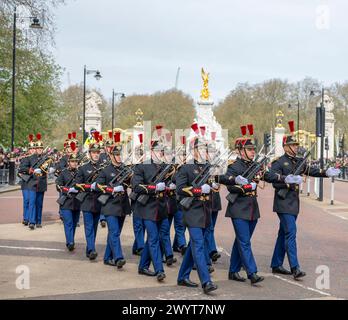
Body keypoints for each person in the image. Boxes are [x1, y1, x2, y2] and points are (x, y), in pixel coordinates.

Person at [270, 120, 341, 279]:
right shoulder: (279, 162)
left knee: (284, 233)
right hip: (283, 203)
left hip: (294, 203)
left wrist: (326, 172)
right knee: (291, 233)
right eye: (293, 145)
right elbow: (272, 179)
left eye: (296, 145)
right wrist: (286, 180)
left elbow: (312, 170)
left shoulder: (299, 161)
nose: (296, 147)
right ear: (286, 146)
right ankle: (295, 267)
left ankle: (276, 264)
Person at [221, 124, 287, 285]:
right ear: (240, 151)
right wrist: (242, 185)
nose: (253, 152)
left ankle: (233, 270)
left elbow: (269, 175)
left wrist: (284, 179)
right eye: (249, 149)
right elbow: (228, 183)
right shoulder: (233, 166)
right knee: (245, 241)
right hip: (238, 208)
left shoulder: (255, 165)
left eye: (253, 149)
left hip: (252, 209)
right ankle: (252, 272)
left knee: (241, 240)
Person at [176, 128, 218, 294]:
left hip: (204, 211)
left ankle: (182, 277)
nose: (202, 152)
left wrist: (213, 186)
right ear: (193, 151)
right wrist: (200, 190)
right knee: (199, 245)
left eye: (204, 149)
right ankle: (206, 281)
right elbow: (180, 189)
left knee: (194, 244)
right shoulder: (185, 168)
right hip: (192, 211)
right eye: (199, 149)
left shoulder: (207, 167)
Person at [132, 139, 168, 282]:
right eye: (159, 151)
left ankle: (143, 266)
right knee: (153, 238)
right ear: (152, 152)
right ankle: (159, 270)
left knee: (155, 237)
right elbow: (136, 186)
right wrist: (153, 188)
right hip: (147, 207)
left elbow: (176, 180)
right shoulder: (142, 166)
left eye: (162, 151)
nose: (161, 153)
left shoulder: (165, 166)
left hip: (161, 207)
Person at [95, 131, 131, 268]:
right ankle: (118, 257)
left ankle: (106, 257)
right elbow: (98, 186)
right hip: (110, 205)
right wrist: (111, 190)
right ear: (111, 156)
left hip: (122, 205)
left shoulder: (124, 169)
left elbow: (131, 183)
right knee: (115, 232)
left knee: (115, 233)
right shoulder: (105, 170)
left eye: (120, 154)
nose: (119, 156)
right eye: (116, 154)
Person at [74, 132, 103, 261]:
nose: (96, 154)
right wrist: (89, 187)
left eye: (98, 152)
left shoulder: (104, 168)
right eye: (94, 152)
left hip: (99, 201)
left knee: (95, 228)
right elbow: (77, 185)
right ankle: (91, 249)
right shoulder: (83, 168)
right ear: (90, 153)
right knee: (89, 227)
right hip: (86, 201)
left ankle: (89, 249)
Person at [18, 133, 51, 230]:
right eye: (38, 148)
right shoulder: (30, 158)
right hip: (31, 183)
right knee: (31, 202)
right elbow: (23, 168)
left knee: (39, 204)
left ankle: (38, 221)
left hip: (41, 183)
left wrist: (49, 169)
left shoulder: (46, 159)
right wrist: (31, 170)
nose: (39, 149)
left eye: (41, 148)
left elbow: (48, 168)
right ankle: (31, 221)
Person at [55, 143, 80, 251]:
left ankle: (71, 239)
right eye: (72, 161)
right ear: (68, 162)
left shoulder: (80, 173)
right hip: (66, 201)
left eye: (76, 162)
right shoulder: (63, 173)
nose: (74, 163)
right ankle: (69, 242)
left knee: (74, 223)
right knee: (68, 223)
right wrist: (68, 190)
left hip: (77, 202)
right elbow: (58, 185)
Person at [18, 135, 36, 225]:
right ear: (29, 149)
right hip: (25, 182)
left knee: (32, 202)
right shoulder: (25, 158)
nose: (32, 150)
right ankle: (26, 218)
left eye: (34, 148)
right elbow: (21, 169)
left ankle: (32, 221)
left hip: (33, 182)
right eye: (31, 148)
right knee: (26, 201)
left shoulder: (38, 158)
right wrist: (28, 170)